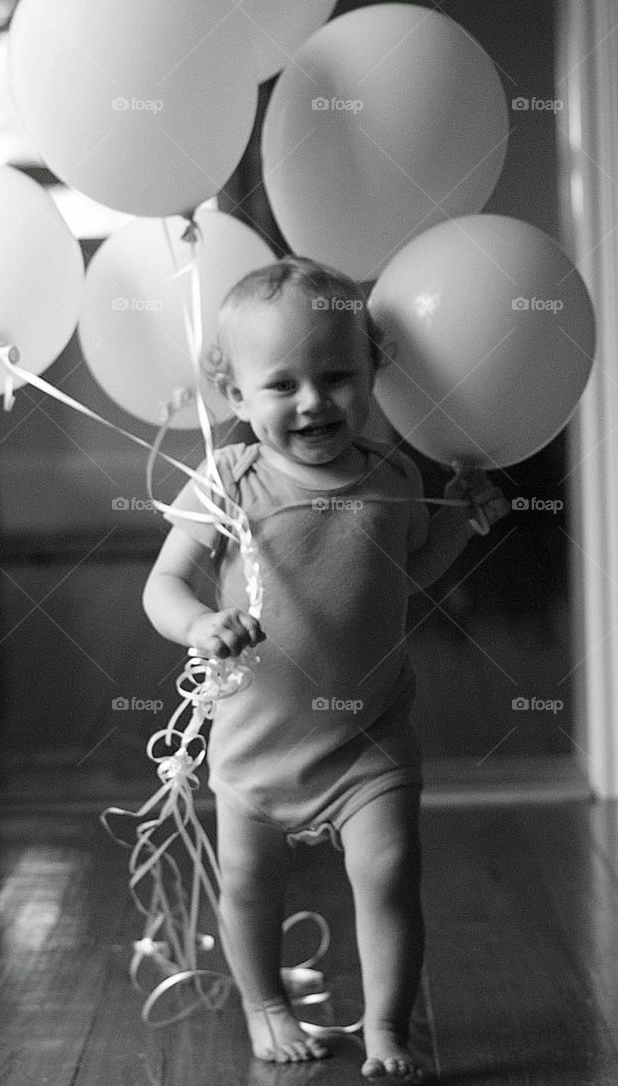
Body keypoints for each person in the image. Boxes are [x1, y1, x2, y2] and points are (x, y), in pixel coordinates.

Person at [142, 256, 509, 1078]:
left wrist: (465, 523)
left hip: (368, 735)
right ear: (235, 396)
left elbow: (405, 575)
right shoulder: (231, 478)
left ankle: (387, 1027)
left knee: (388, 873)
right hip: (254, 742)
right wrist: (199, 621)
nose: (313, 401)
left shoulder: (394, 477)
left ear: (374, 370)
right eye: (282, 385)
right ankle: (265, 1003)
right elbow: (162, 584)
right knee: (249, 885)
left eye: (337, 375)